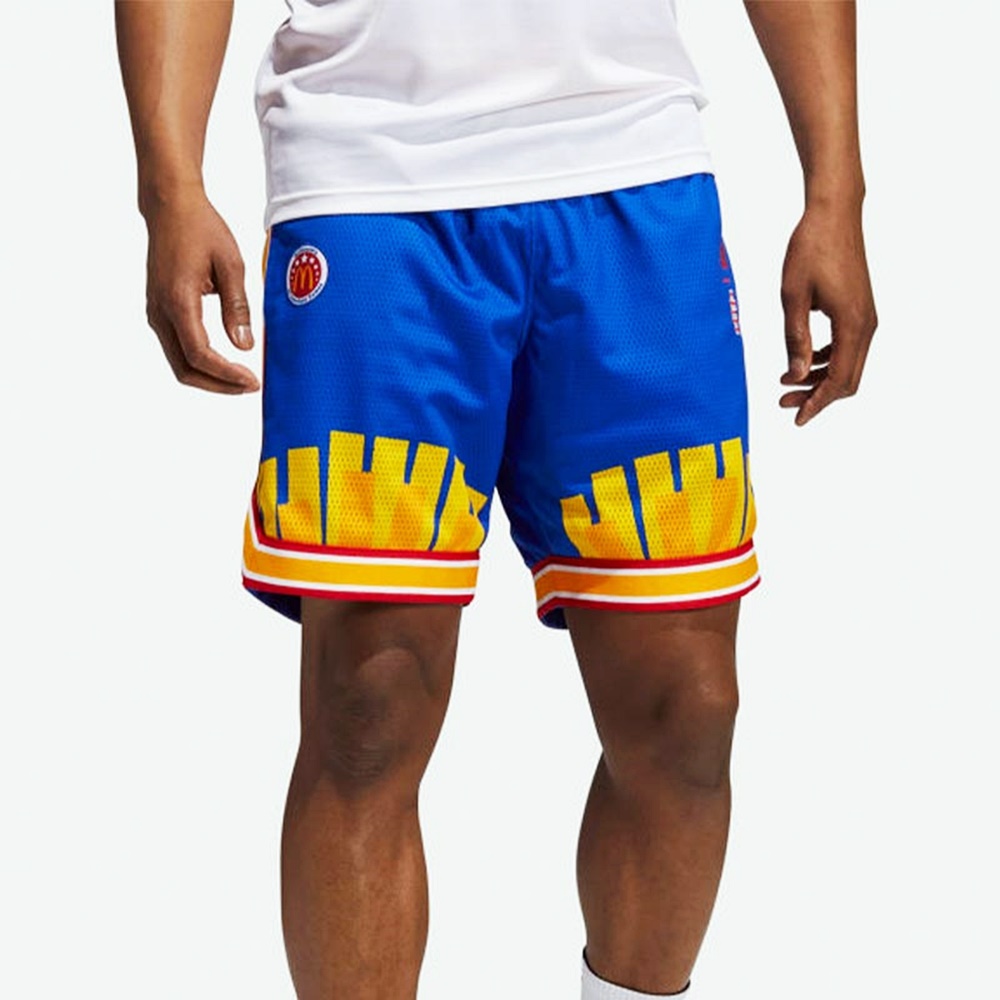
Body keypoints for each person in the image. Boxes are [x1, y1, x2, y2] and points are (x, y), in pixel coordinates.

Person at [115, 1, 877, 997]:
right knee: (368, 701)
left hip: (636, 173)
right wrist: (170, 188)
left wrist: (836, 191)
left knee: (687, 710)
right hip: (371, 182)